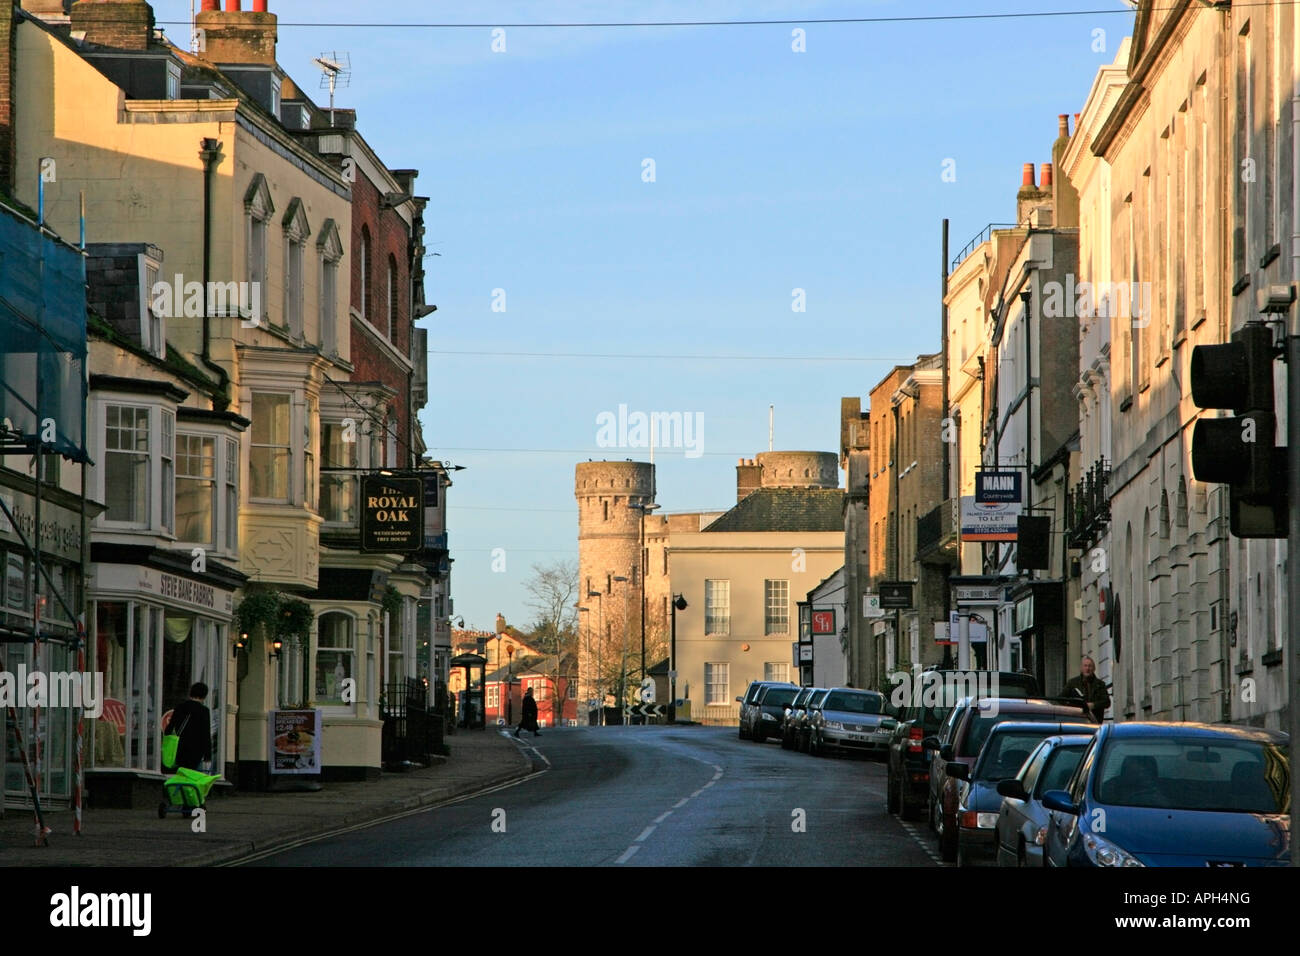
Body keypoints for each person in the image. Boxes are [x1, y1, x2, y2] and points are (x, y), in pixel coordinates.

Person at [166, 682, 213, 771]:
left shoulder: (180, 707)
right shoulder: (204, 711)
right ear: (204, 696)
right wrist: (207, 755)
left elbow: (169, 728)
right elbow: (205, 734)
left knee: (179, 771)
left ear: (191, 692)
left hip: (179, 748)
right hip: (196, 750)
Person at [1063, 656, 1109, 722]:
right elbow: (1061, 698)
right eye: (1085, 666)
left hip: (1095, 721)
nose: (1087, 668)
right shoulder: (1072, 683)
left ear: (1094, 669)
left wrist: (1094, 705)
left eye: (1090, 666)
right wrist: (1073, 708)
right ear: (1081, 668)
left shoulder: (1100, 684)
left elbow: (1106, 702)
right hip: (1077, 720)